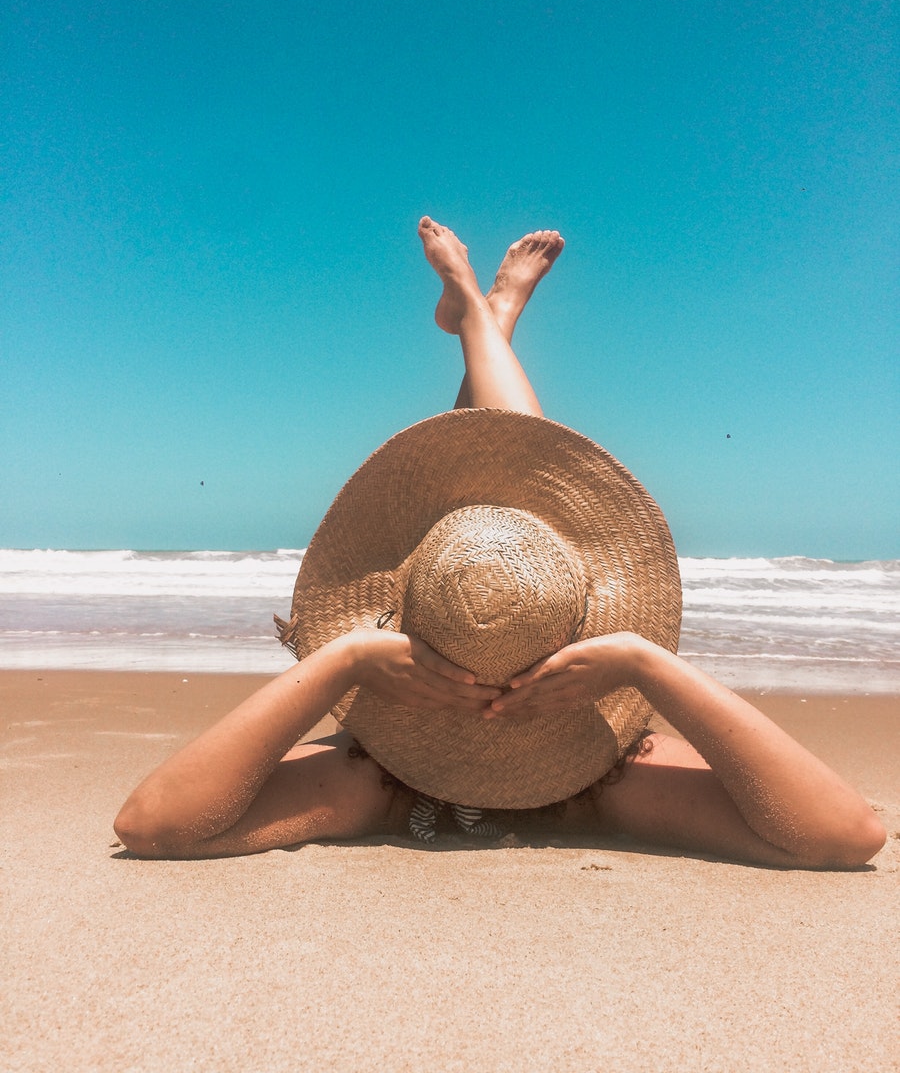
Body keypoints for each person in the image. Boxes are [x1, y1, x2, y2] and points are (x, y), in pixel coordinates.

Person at [114, 218, 886, 868]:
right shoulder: (605, 776)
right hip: (542, 720)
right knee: (500, 519)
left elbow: (846, 836)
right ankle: (486, 323)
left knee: (498, 512)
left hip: (434, 725)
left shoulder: (372, 780)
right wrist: (643, 663)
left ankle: (484, 322)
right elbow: (845, 837)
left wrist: (344, 662)